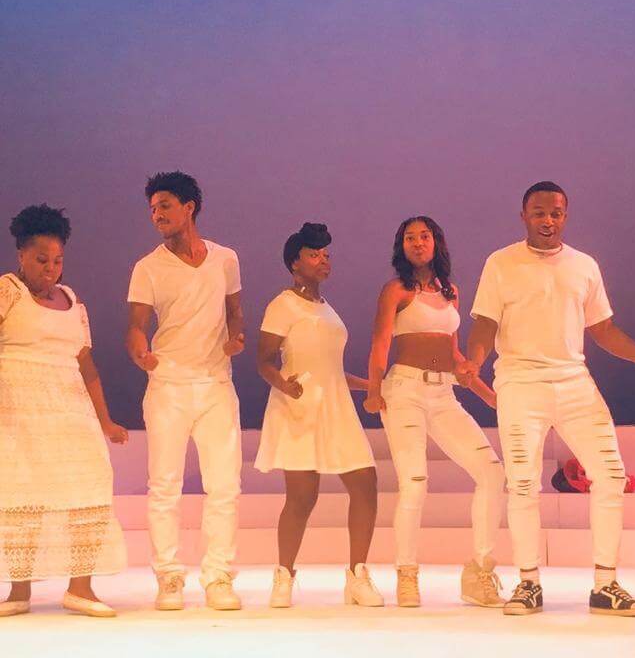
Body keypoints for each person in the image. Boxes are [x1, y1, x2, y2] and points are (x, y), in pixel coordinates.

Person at [459, 181, 635, 617]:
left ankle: (605, 585)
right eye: (540, 212)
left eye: (556, 213)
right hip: (520, 380)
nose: (548, 220)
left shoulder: (584, 265)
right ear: (524, 215)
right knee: (523, 482)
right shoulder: (501, 263)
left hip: (573, 380)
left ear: (566, 216)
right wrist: (473, 360)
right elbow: (485, 324)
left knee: (611, 474)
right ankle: (528, 584)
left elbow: (604, 332)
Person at [364, 216, 504, 607]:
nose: (417, 242)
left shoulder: (450, 291)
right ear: (401, 247)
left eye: (424, 236)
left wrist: (489, 396)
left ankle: (480, 570)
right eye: (410, 237)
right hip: (405, 390)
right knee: (415, 482)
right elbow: (380, 344)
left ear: (436, 242)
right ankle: (407, 575)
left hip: (444, 394)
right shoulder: (396, 290)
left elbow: (455, 354)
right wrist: (374, 391)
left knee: (492, 474)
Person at [0, 204, 127, 617]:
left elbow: (86, 366)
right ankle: (18, 592)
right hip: (18, 410)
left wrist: (105, 421)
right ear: (20, 254)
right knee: (24, 495)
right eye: (41, 260)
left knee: (88, 487)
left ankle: (81, 588)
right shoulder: (8, 292)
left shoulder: (73, 301)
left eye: (57, 261)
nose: (51, 269)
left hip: (71, 412)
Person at [126, 171, 244, 611]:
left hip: (215, 384)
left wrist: (236, 337)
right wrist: (140, 351)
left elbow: (235, 310)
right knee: (164, 486)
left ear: (189, 207)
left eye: (165, 206)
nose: (157, 214)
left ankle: (218, 577)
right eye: (153, 208)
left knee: (224, 485)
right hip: (169, 385)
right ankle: (169, 577)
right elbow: (136, 327)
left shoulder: (226, 258)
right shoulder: (148, 266)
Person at [256, 223, 383, 608]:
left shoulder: (326, 308)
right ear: (295, 263)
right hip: (300, 406)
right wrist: (285, 385)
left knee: (365, 482)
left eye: (326, 254)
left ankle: (357, 576)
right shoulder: (282, 305)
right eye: (314, 254)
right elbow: (263, 361)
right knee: (302, 496)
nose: (323, 260)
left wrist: (373, 386)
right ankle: (283, 575)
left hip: (336, 405)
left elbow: (331, 369)